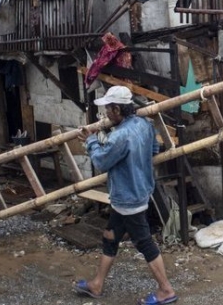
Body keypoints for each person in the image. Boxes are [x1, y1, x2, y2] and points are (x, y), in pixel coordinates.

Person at [73, 85, 177, 305]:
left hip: (128, 197)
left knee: (144, 243)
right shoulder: (144, 125)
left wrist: (91, 140)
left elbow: (101, 161)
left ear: (117, 110)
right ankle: (97, 284)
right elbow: (154, 151)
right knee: (110, 235)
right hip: (137, 191)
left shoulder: (120, 136)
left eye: (109, 109)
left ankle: (166, 290)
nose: (106, 114)